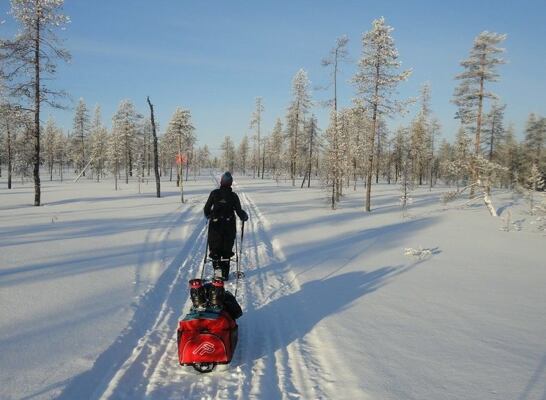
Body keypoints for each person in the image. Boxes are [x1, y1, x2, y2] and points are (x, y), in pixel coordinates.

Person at [204, 172, 248, 280]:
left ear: (221, 182)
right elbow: (239, 211)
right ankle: (225, 274)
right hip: (229, 227)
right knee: (226, 250)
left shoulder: (214, 193)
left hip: (215, 227)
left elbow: (206, 209)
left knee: (215, 250)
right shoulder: (233, 196)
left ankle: (218, 273)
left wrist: (210, 216)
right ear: (231, 183)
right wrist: (244, 216)